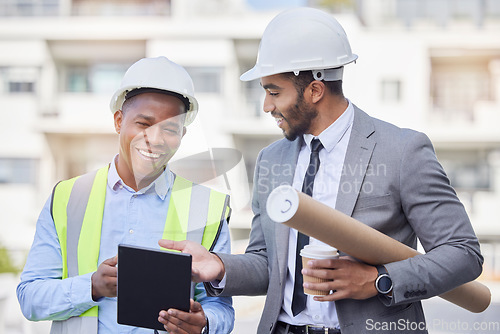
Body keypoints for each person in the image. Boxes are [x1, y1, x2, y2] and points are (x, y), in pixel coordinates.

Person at [159, 7, 484, 334]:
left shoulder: (401, 151)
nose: (266, 106)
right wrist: (218, 266)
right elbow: (267, 263)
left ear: (315, 90)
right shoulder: (272, 159)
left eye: (274, 92)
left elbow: (463, 254)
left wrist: (378, 280)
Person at [16, 56, 234, 334]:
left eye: (170, 129)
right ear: (119, 121)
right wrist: (92, 286)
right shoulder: (67, 198)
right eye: (144, 124)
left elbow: (221, 309)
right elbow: (30, 299)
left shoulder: (208, 208)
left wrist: (205, 324)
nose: (155, 139)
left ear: (182, 134)